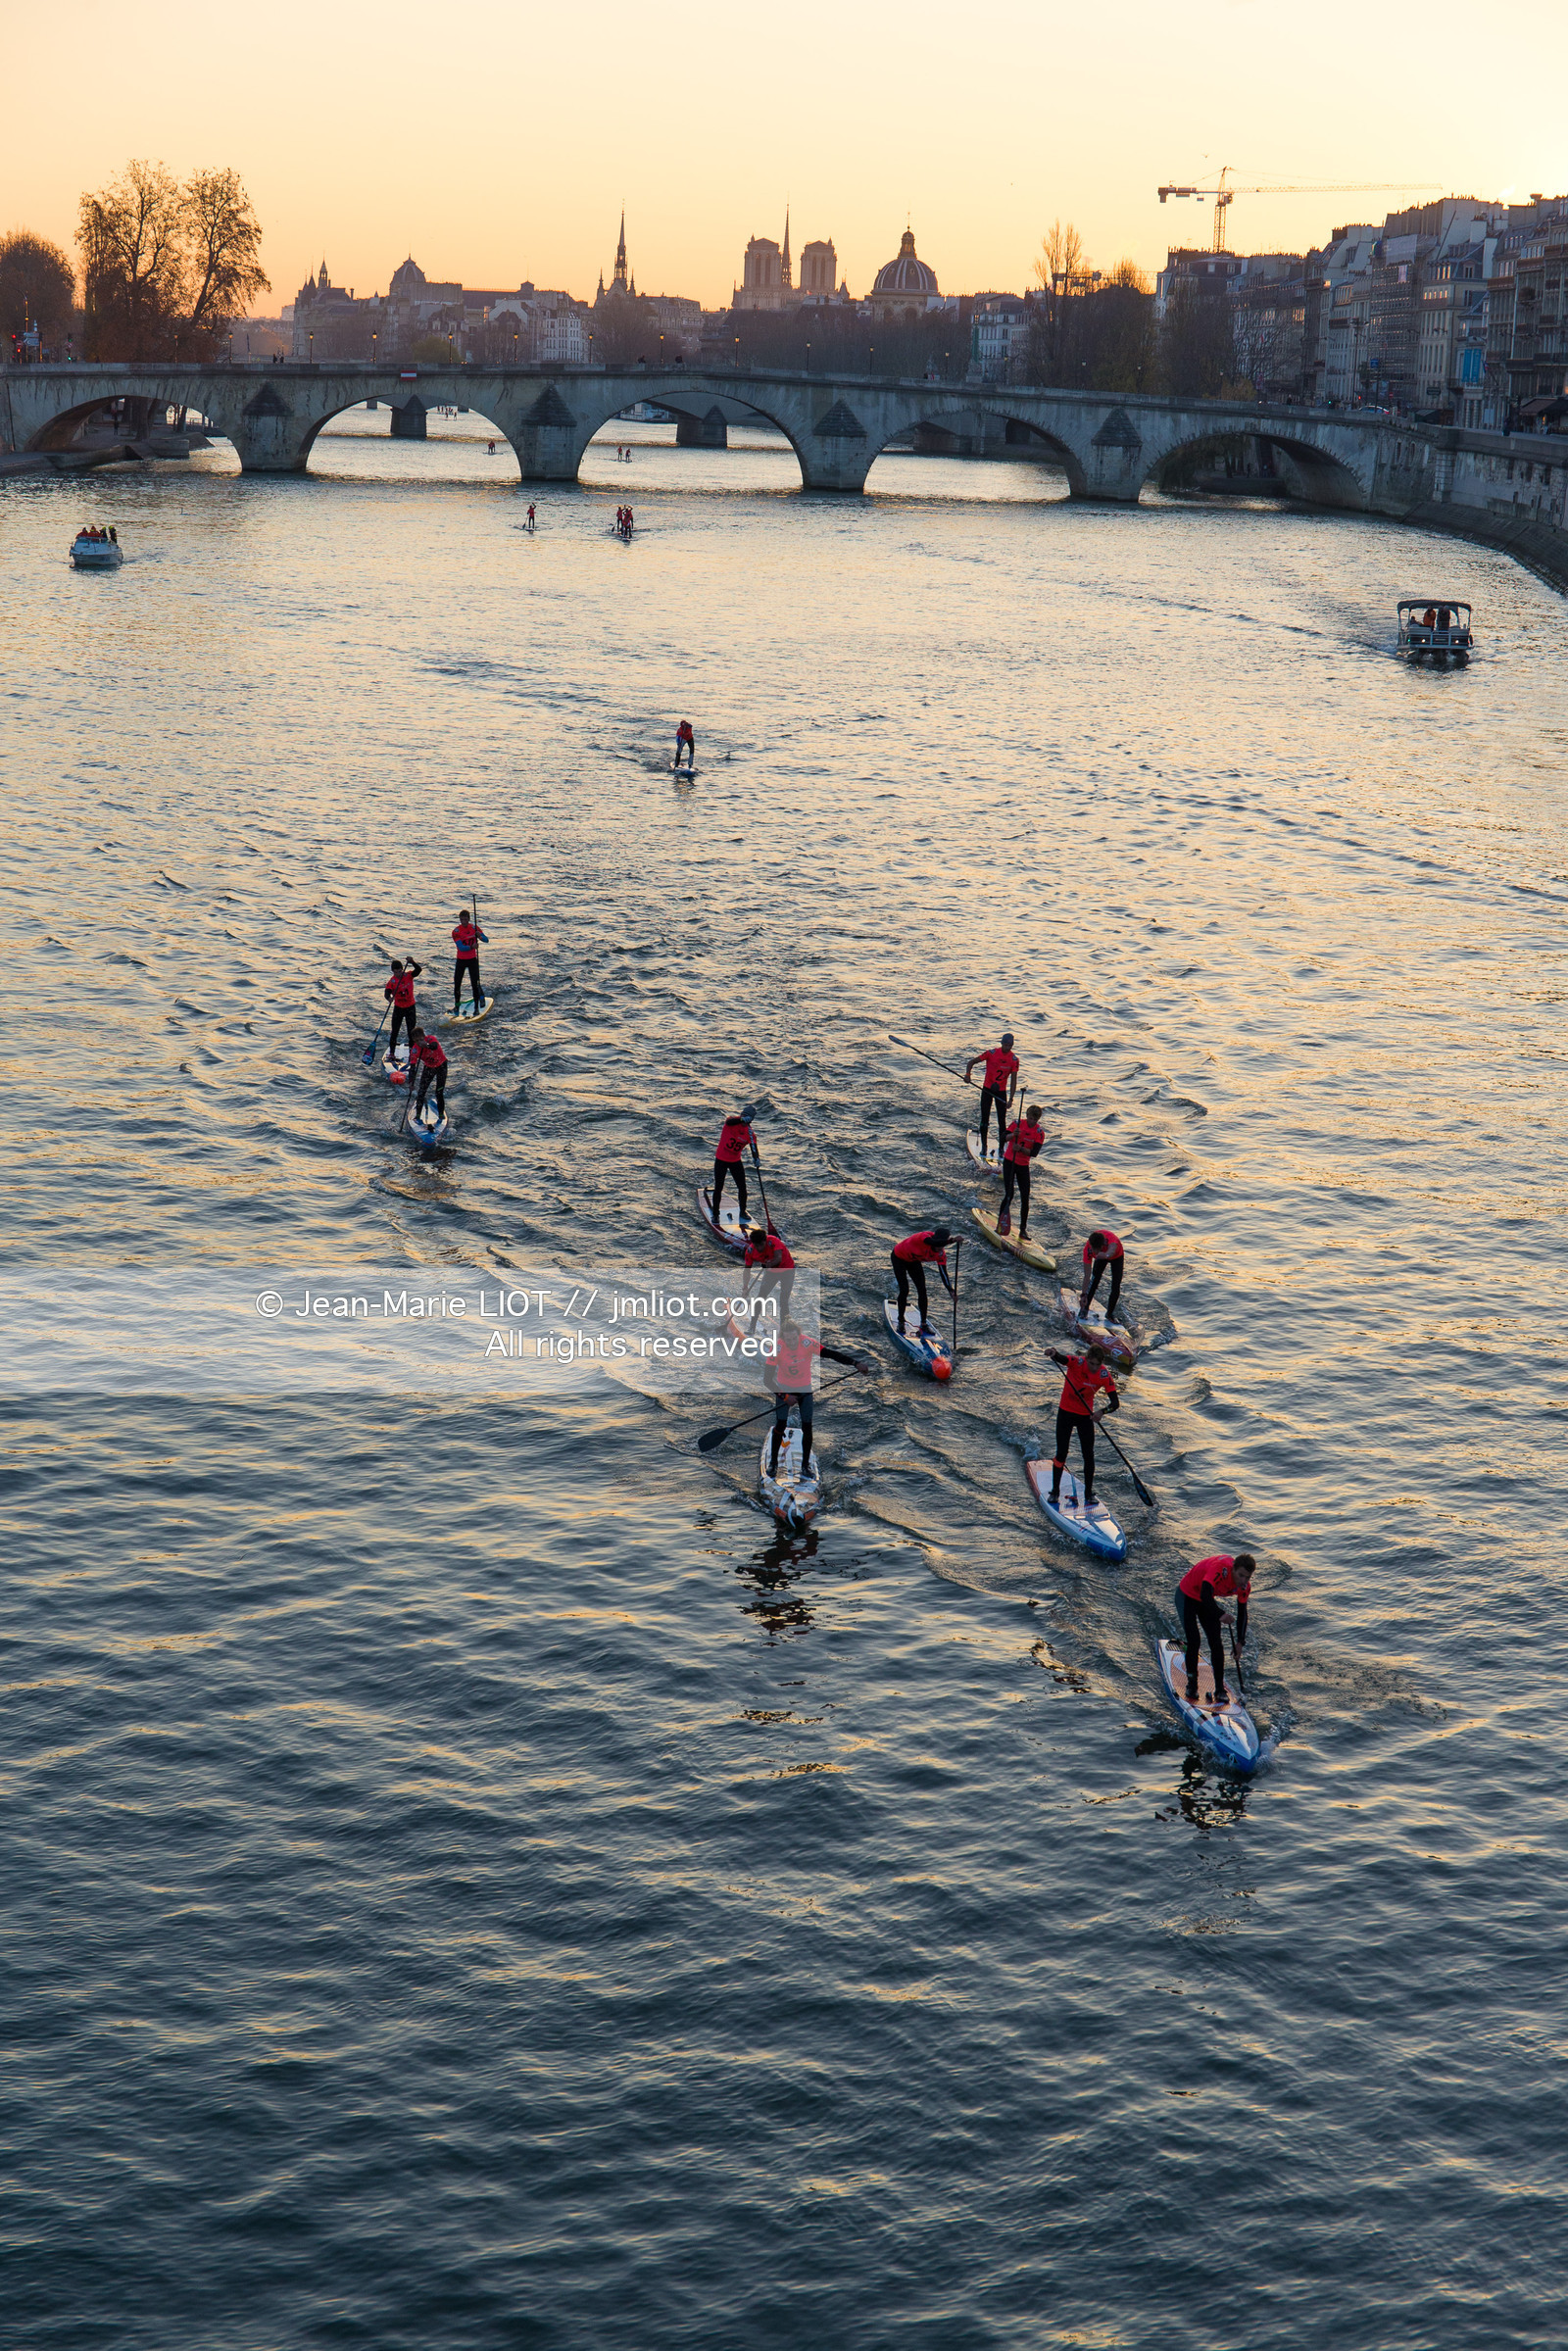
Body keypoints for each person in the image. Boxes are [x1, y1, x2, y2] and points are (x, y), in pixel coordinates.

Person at [766, 1318, 864, 1485]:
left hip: (804, 1389)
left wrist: (855, 1363)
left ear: (799, 1335)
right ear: (782, 1338)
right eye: (787, 1339)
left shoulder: (808, 1343)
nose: (791, 1342)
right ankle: (773, 1464)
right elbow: (767, 1380)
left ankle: (805, 1466)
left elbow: (832, 1354)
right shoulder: (777, 1348)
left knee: (807, 1426)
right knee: (780, 1425)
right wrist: (784, 1396)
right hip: (784, 1388)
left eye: (793, 1338)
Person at [1046, 1343, 1117, 1509]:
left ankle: (1088, 1493)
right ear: (1086, 1360)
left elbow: (1115, 1403)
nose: (1094, 1368)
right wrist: (1053, 1352)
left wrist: (1101, 1412)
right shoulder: (1076, 1363)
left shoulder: (1104, 1374)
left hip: (1085, 1416)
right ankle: (1055, 1491)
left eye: (1097, 1365)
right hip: (1066, 1413)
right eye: (1091, 1363)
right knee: (1061, 1453)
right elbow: (1061, 1358)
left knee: (1089, 1455)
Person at [1177, 1552, 1254, 1705]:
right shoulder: (1220, 1570)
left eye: (1247, 1577)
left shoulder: (1244, 1587)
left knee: (1216, 1643)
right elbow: (1205, 1595)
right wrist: (1221, 1614)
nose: (1243, 1581)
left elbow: (1242, 1613)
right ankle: (1192, 1685)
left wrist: (1240, 1642)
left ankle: (1220, 1689)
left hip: (1206, 1600)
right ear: (1233, 1569)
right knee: (1194, 1641)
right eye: (1240, 1575)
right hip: (1188, 1594)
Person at [963, 1032, 1019, 1158]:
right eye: (1006, 1045)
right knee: (984, 1119)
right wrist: (968, 1075)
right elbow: (971, 1062)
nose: (1008, 1048)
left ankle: (1001, 1149)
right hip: (987, 1090)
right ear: (1001, 1043)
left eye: (1010, 1045)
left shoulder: (1014, 1060)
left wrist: (1011, 1098)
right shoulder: (991, 1053)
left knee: (1002, 1121)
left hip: (1001, 1092)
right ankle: (983, 1147)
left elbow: (1014, 1080)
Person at [891, 1226, 954, 1336]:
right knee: (904, 1289)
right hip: (899, 1257)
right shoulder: (924, 1236)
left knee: (922, 1290)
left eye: (942, 1246)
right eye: (939, 1245)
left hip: (913, 1261)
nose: (940, 1248)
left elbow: (943, 1273)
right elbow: (931, 1241)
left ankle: (923, 1324)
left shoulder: (941, 1255)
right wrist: (951, 1240)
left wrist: (951, 1290)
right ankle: (901, 1321)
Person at [998, 1102, 1046, 1239]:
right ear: (1027, 1116)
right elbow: (1002, 1138)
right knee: (1009, 1194)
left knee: (1025, 1198)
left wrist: (1021, 1150)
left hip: (1023, 1165)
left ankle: (1023, 1230)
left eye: (1034, 1120)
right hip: (1009, 1162)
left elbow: (1034, 1153)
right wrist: (1012, 1135)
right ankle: (1000, 1224)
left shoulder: (1039, 1133)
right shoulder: (1017, 1124)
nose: (1031, 1122)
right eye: (1030, 1118)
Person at [712, 1105, 758, 1224]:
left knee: (742, 1188)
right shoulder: (731, 1122)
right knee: (719, 1187)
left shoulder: (750, 1134)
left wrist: (756, 1158)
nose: (743, 1118)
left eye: (747, 1118)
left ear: (751, 1120)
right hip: (721, 1159)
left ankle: (743, 1211)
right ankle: (715, 1214)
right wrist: (742, 1119)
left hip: (735, 1161)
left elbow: (754, 1148)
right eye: (743, 1116)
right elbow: (730, 1121)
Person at [744, 1222, 795, 1324]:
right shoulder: (750, 1251)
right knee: (761, 1297)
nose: (759, 1248)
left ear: (765, 1241)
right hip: (771, 1272)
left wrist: (769, 1264)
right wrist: (745, 1287)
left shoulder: (773, 1241)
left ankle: (784, 1329)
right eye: (756, 1245)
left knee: (783, 1300)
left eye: (761, 1245)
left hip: (787, 1270)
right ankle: (752, 1324)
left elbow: (778, 1259)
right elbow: (747, 1270)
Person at [1079, 1229, 1124, 1321]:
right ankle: (1085, 1309)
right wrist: (1083, 1295)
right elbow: (1087, 1276)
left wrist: (1106, 1255)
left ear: (1102, 1245)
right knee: (1094, 1280)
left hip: (1116, 1256)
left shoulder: (1112, 1242)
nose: (1095, 1252)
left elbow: (1112, 1250)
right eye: (1093, 1249)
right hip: (1102, 1256)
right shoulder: (1087, 1250)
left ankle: (1109, 1314)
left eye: (1097, 1250)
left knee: (1116, 1285)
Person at [384, 957, 423, 1064]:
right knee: (394, 1031)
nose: (398, 974)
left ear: (402, 969)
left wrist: (412, 962)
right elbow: (387, 993)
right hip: (398, 1009)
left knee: (411, 1031)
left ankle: (412, 1052)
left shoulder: (409, 975)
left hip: (410, 1007)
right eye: (395, 972)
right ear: (393, 971)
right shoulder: (392, 982)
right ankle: (392, 1053)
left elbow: (419, 970)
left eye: (400, 971)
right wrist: (389, 998)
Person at [451, 907, 488, 1012]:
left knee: (474, 984)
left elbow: (486, 940)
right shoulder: (456, 931)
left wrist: (479, 936)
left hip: (472, 960)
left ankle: (476, 1007)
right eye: (462, 920)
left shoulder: (474, 928)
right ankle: (457, 1006)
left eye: (465, 920)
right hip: (461, 960)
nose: (464, 922)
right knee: (457, 983)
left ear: (469, 919)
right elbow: (461, 947)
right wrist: (472, 947)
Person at [409, 1026, 448, 1123]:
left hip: (441, 1066)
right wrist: (411, 1082)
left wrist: (426, 1045)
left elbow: (434, 1046)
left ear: (424, 1036)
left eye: (421, 1039)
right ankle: (417, 1116)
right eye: (417, 1041)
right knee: (421, 1092)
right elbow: (413, 1067)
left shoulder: (431, 1039)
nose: (420, 1042)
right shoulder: (415, 1049)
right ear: (414, 1040)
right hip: (429, 1068)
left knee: (439, 1092)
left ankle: (441, 1115)